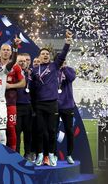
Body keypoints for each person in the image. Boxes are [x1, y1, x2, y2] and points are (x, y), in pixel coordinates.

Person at [31, 30, 73, 167]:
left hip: (52, 104)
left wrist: (67, 41)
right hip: (39, 104)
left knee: (51, 131)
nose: (45, 55)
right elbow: (32, 89)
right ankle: (40, 155)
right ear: (39, 56)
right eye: (42, 54)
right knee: (39, 131)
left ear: (49, 57)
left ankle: (51, 155)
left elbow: (63, 54)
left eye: (47, 54)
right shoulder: (34, 70)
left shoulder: (54, 66)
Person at [0, 43, 26, 151]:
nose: (6, 52)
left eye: (8, 50)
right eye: (4, 50)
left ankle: (13, 153)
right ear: (0, 52)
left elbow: (23, 83)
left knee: (11, 127)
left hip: (10, 103)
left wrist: (10, 85)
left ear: (11, 52)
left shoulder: (15, 66)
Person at [57, 62, 76, 164]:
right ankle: (53, 154)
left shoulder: (70, 70)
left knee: (69, 131)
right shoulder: (53, 70)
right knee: (52, 131)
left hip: (68, 105)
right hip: (55, 105)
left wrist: (64, 68)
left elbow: (71, 78)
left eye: (64, 61)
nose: (63, 62)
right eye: (61, 61)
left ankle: (69, 155)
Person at [16, 53, 33, 160]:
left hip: (28, 106)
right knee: (16, 133)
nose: (23, 63)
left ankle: (27, 154)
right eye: (20, 61)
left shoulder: (31, 75)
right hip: (16, 106)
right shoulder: (12, 73)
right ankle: (16, 154)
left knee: (28, 132)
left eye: (25, 61)